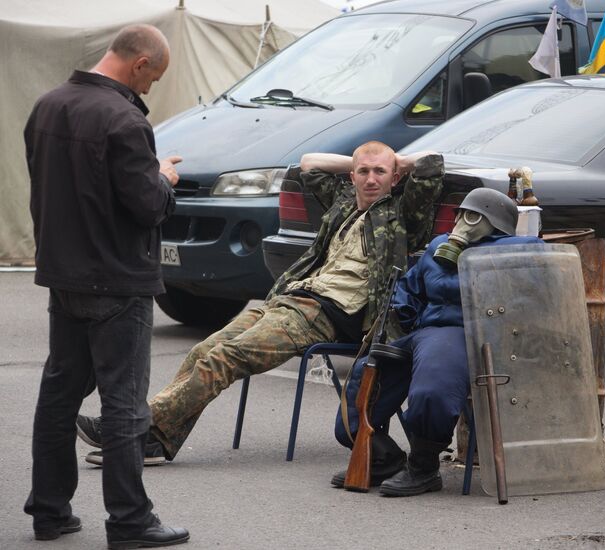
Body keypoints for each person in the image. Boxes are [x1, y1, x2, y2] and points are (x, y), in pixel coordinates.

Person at [76, 141, 444, 466]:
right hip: (288, 298)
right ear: (351, 177)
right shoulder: (345, 201)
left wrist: (395, 162)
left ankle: (128, 431)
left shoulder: (402, 213)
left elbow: (431, 163)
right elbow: (309, 163)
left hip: (323, 313)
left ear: (395, 178)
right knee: (205, 349)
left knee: (224, 358)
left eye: (380, 172)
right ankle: (154, 440)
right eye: (363, 171)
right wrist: (360, 159)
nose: (371, 179)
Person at [23, 24, 190, 548]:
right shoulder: (123, 119)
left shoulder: (47, 105)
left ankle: (49, 512)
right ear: (139, 63)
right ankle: (130, 521)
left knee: (59, 393)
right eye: (153, 78)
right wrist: (164, 177)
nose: (150, 89)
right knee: (125, 403)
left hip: (64, 274)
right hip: (118, 280)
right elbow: (146, 205)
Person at [333, 187, 542, 496]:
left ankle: (423, 466)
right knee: (367, 375)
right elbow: (411, 287)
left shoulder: (512, 253)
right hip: (424, 331)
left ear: (495, 224)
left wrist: (483, 249)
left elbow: (532, 278)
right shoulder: (438, 248)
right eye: (461, 215)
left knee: (434, 385)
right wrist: (404, 312)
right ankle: (382, 456)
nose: (462, 223)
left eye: (473, 217)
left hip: (468, 333)